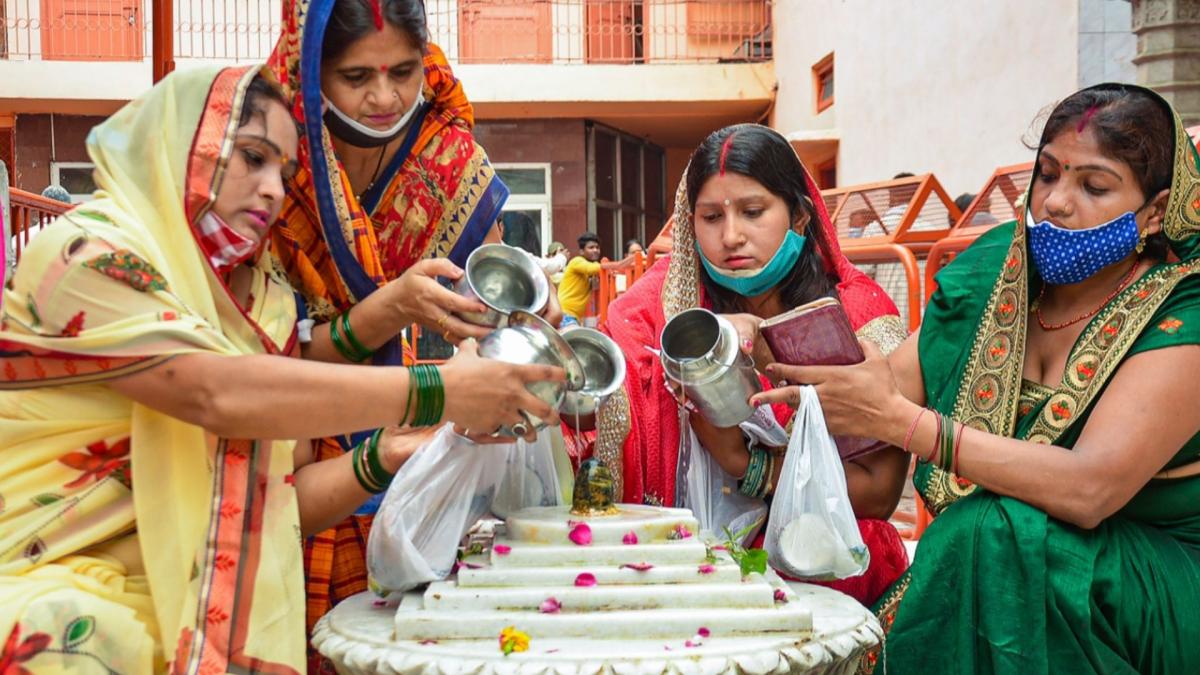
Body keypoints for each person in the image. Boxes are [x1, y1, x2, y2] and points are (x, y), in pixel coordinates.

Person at [0, 65, 562, 674]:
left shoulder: (260, 302)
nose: (272, 189)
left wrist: (387, 456)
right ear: (183, 143)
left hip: (181, 602)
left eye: (284, 172)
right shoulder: (87, 254)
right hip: (48, 574)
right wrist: (438, 392)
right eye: (251, 157)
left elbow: (282, 500)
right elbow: (213, 393)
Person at [757, 84, 1200, 673]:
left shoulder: (1183, 309)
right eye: (1046, 175)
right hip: (1021, 556)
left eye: (1093, 186)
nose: (1056, 203)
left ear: (1153, 209)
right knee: (987, 537)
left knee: (986, 532)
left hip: (1151, 576)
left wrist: (909, 425)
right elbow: (884, 389)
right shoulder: (999, 268)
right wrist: (764, 344)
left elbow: (1090, 490)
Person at [266, 0, 563, 636]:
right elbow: (274, 373)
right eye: (355, 77)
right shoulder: (273, 175)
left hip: (434, 463)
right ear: (310, 70)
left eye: (404, 71)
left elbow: (490, 299)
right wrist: (391, 308)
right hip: (303, 469)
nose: (385, 96)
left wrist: (521, 324)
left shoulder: (447, 162)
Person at [592, 124, 911, 606]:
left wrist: (746, 462)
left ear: (800, 216)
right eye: (711, 216)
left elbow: (880, 494)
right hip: (685, 557)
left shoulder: (857, 319)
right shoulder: (658, 311)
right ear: (688, 222)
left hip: (819, 556)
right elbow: (598, 391)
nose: (731, 236)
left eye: (752, 212)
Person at [557, 232, 633, 326]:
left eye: (597, 247)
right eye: (591, 247)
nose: (595, 250)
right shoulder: (576, 262)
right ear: (581, 251)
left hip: (574, 316)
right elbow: (591, 268)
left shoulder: (593, 269)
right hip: (565, 313)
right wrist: (617, 265)